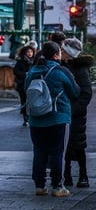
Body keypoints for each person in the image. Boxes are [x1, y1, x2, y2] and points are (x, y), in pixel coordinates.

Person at [24, 41, 78, 197]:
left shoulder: (33, 71)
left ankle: (39, 186)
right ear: (56, 55)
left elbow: (26, 89)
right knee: (57, 152)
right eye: (60, 53)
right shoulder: (60, 71)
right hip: (58, 117)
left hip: (35, 119)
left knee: (39, 151)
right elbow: (75, 91)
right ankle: (57, 186)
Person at [61, 38, 91, 188]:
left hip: (76, 113)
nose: (61, 52)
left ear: (68, 53)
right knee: (63, 146)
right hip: (64, 111)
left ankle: (83, 175)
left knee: (78, 145)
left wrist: (74, 109)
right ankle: (66, 175)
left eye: (63, 50)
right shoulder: (60, 65)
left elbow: (86, 93)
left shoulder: (80, 68)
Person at [13, 42, 38, 126]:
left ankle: (31, 117)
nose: (30, 54)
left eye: (31, 52)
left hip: (33, 84)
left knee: (32, 101)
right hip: (22, 84)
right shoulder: (20, 61)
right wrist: (25, 74)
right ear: (25, 53)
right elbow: (16, 71)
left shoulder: (35, 61)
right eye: (28, 52)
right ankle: (26, 118)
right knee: (24, 101)